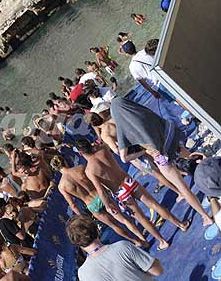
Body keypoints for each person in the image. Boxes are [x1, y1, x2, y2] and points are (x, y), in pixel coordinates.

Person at [110, 97, 213, 226]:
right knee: (197, 164)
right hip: (172, 142)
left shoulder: (122, 128)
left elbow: (124, 157)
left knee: (183, 188)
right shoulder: (141, 111)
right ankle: (215, 184)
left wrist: (144, 150)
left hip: (160, 156)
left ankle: (206, 217)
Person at [76, 139, 190, 250]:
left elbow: (100, 190)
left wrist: (108, 205)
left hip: (120, 192)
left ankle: (163, 241)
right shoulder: (103, 149)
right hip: (128, 182)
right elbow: (103, 143)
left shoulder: (89, 170)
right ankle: (180, 224)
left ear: (81, 153)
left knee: (142, 218)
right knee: (155, 205)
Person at [52, 155, 147, 247]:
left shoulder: (62, 186)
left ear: (56, 169)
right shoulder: (80, 168)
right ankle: (142, 239)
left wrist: (82, 217)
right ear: (64, 161)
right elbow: (96, 179)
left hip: (91, 205)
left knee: (114, 226)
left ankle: (136, 241)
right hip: (100, 196)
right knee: (123, 219)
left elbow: (73, 205)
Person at [66, 215, 164, 281]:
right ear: (96, 229)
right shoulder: (122, 247)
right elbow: (158, 270)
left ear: (76, 243)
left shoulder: (83, 274)